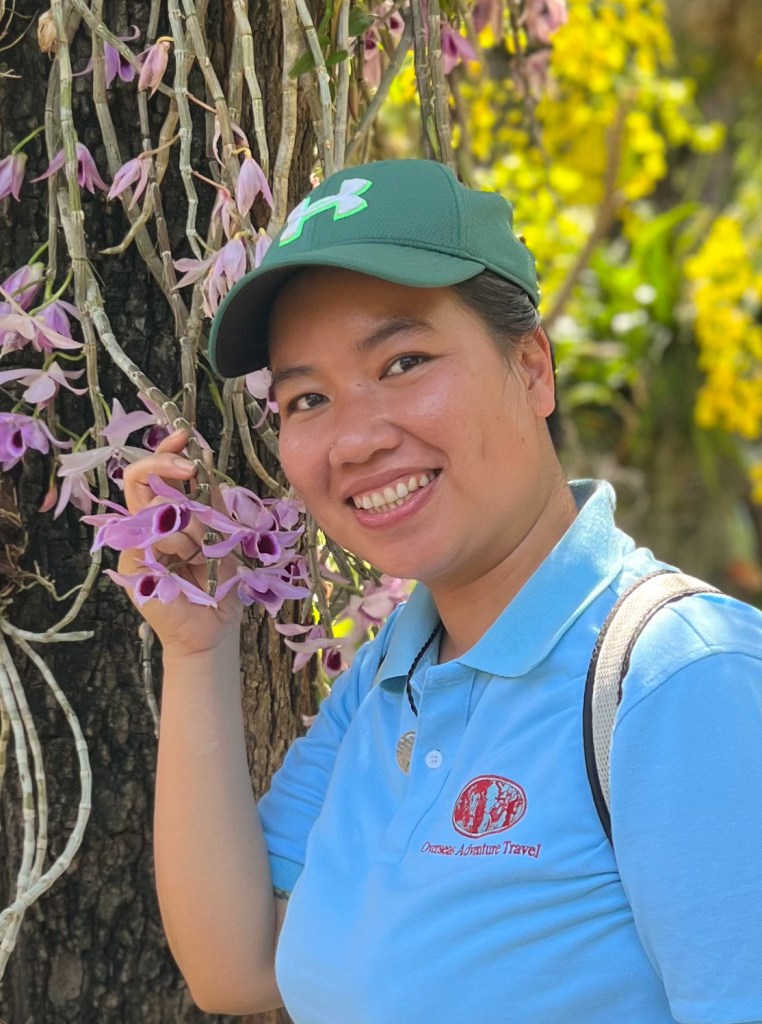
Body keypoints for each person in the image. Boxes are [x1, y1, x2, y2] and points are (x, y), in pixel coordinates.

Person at [121, 159, 762, 1023]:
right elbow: (237, 966)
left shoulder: (684, 681)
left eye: (403, 361)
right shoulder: (395, 673)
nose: (354, 440)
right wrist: (196, 646)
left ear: (530, 368)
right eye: (306, 398)